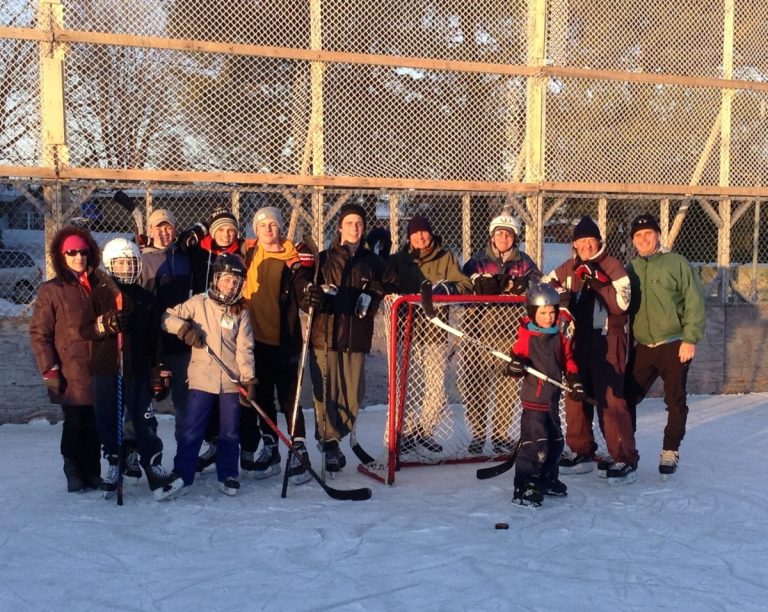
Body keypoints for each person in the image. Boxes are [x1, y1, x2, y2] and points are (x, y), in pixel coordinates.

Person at [79, 238, 180, 501]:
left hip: (136, 369)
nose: (126, 267)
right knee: (107, 419)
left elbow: (154, 336)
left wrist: (160, 368)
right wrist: (106, 323)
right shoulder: (101, 294)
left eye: (131, 262)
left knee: (144, 418)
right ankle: (114, 463)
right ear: (111, 265)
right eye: (121, 262)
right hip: (106, 369)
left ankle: (153, 467)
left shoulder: (145, 297)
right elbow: (85, 328)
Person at [543, 216, 640, 484]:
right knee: (575, 396)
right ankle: (582, 450)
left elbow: (622, 303)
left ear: (599, 241)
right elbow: (545, 283)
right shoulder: (571, 266)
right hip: (579, 342)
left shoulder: (612, 265)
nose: (585, 245)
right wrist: (560, 296)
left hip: (607, 341)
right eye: (580, 241)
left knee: (611, 400)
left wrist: (599, 281)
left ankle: (623, 457)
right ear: (574, 244)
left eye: (589, 240)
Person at [301, 203, 397, 472]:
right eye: (350, 223)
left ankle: (335, 434)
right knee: (326, 394)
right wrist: (313, 295)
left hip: (356, 336)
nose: (355, 228)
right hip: (325, 335)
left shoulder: (373, 262)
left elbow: (393, 284)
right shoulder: (325, 258)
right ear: (340, 226)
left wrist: (379, 288)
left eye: (359, 223)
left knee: (353, 395)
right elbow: (304, 288)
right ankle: (330, 444)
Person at [161, 253, 256, 497]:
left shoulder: (241, 311)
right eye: (226, 280)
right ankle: (182, 471)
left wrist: (248, 378)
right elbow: (167, 318)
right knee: (192, 428)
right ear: (216, 279)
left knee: (230, 431)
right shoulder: (198, 303)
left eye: (236, 282)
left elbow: (245, 348)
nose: (230, 286)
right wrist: (184, 329)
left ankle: (228, 473)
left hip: (231, 381)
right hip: (202, 378)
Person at [625, 213, 706, 477]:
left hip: (674, 343)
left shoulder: (676, 263)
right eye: (638, 236)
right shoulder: (632, 268)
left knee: (675, 399)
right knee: (626, 397)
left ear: (658, 235)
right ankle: (626, 449)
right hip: (644, 345)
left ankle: (670, 451)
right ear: (633, 241)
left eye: (648, 233)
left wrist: (690, 338)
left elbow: (694, 301)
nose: (644, 239)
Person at [239, 206, 314, 485]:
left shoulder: (293, 257)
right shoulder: (248, 253)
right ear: (256, 231)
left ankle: (299, 450)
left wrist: (312, 297)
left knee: (289, 400)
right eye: (263, 226)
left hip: (285, 340)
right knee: (261, 397)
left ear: (281, 228)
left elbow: (304, 292)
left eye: (273, 225)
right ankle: (270, 448)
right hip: (254, 340)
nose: (269, 229)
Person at [390, 213, 472, 453]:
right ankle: (402, 433)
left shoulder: (445, 258)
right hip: (407, 331)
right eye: (415, 233)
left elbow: (465, 284)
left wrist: (449, 288)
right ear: (409, 237)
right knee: (405, 386)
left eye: (424, 231)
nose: (420, 237)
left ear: (431, 233)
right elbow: (385, 281)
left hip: (435, 331)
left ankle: (424, 431)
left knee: (436, 388)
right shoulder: (399, 260)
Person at [461, 213, 541, 454]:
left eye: (508, 234)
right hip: (479, 331)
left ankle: (500, 434)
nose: (503, 237)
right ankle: (477, 434)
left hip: (509, 331)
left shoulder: (524, 262)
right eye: (499, 233)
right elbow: (462, 285)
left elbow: (539, 284)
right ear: (492, 236)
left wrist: (522, 286)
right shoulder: (477, 260)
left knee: (507, 385)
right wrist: (476, 283)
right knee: (475, 383)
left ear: (515, 238)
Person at [30, 227, 103, 493]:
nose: (78, 258)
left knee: (95, 421)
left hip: (98, 366)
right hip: (69, 368)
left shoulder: (98, 284)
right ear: (62, 256)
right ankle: (73, 467)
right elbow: (40, 333)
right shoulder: (53, 290)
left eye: (83, 252)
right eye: (72, 253)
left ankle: (93, 470)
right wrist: (49, 369)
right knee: (76, 421)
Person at [504, 282, 583, 507]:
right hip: (534, 401)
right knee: (535, 444)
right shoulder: (527, 336)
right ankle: (525, 484)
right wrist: (515, 364)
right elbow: (515, 357)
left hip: (552, 400)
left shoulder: (559, 336)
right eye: (543, 313)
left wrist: (575, 380)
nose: (549, 317)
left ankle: (547, 478)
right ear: (532, 313)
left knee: (556, 442)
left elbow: (568, 360)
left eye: (552, 312)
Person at [178, 207, 245, 471]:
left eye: (231, 229)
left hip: (232, 327)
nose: (227, 234)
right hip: (200, 328)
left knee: (228, 400)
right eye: (221, 229)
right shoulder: (200, 250)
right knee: (201, 394)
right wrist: (202, 225)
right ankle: (204, 445)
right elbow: (182, 242)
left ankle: (225, 451)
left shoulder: (243, 252)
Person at [140, 208, 193, 444]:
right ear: (150, 231)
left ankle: (185, 450)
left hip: (181, 340)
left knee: (184, 400)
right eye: (158, 227)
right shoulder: (142, 260)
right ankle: (143, 449)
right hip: (151, 341)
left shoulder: (183, 258)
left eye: (168, 227)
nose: (163, 232)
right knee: (144, 401)